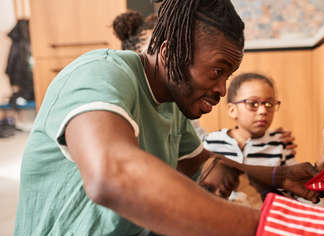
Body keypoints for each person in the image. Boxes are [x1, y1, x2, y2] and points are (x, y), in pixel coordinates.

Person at [10, 0, 324, 236]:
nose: (223, 89)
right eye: (218, 70)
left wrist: (277, 176)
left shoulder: (173, 103)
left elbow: (204, 162)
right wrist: (280, 231)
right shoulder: (99, 74)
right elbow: (112, 176)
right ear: (170, 50)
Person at [112, 10, 298, 149]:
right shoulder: (120, 95)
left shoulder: (178, 108)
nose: (170, 60)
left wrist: (264, 142)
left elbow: (202, 152)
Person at [202, 73, 324, 201]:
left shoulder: (279, 144)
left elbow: (300, 188)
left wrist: (321, 164)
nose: (263, 111)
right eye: (253, 104)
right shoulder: (212, 142)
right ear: (232, 110)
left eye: (269, 104)